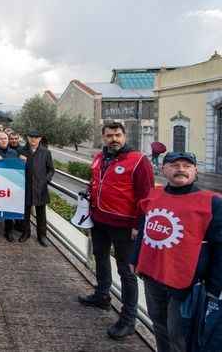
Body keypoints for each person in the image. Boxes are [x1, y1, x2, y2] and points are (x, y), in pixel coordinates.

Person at [130, 152, 222, 352]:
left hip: (186, 284)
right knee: (159, 327)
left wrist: (217, 290)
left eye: (187, 166)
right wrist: (135, 258)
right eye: (174, 165)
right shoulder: (154, 195)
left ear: (195, 171)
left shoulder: (214, 203)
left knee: (179, 337)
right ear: (163, 169)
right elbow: (144, 227)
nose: (181, 169)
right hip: (153, 277)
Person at [78, 122, 154, 340]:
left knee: (126, 272)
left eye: (118, 135)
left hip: (125, 227)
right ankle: (102, 295)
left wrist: (138, 227)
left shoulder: (138, 160)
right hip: (99, 220)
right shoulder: (99, 158)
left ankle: (128, 319)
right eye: (109, 135)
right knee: (100, 258)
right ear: (103, 137)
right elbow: (95, 182)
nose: (114, 139)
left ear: (124, 135)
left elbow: (146, 197)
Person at [21, 129, 54, 246]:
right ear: (27, 138)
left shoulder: (46, 152)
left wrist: (45, 180)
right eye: (31, 137)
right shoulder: (21, 151)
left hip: (40, 188)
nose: (33, 139)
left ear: (40, 139)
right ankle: (26, 233)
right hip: (25, 186)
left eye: (36, 137)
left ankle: (42, 236)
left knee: (41, 214)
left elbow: (51, 170)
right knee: (25, 212)